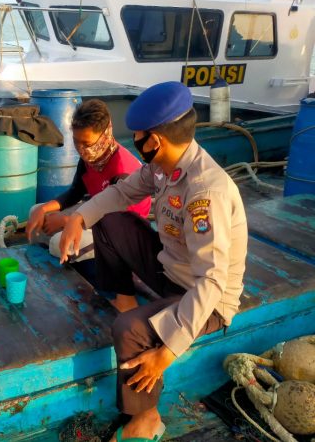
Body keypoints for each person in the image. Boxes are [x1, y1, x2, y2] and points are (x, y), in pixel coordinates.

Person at [59, 82, 248, 441]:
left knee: (127, 331)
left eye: (139, 137)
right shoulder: (166, 165)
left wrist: (168, 352)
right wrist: (78, 217)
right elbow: (121, 192)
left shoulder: (205, 192)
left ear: (154, 142)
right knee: (110, 219)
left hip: (207, 299)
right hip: (172, 270)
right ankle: (128, 305)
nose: (136, 144)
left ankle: (146, 418)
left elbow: (211, 282)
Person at [26, 99, 151, 283]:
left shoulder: (121, 171)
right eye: (76, 143)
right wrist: (43, 209)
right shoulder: (91, 158)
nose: (81, 150)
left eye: (87, 143)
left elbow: (116, 223)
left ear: (105, 136)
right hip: (94, 212)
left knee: (56, 244)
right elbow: (75, 192)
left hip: (123, 231)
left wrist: (67, 221)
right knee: (35, 211)